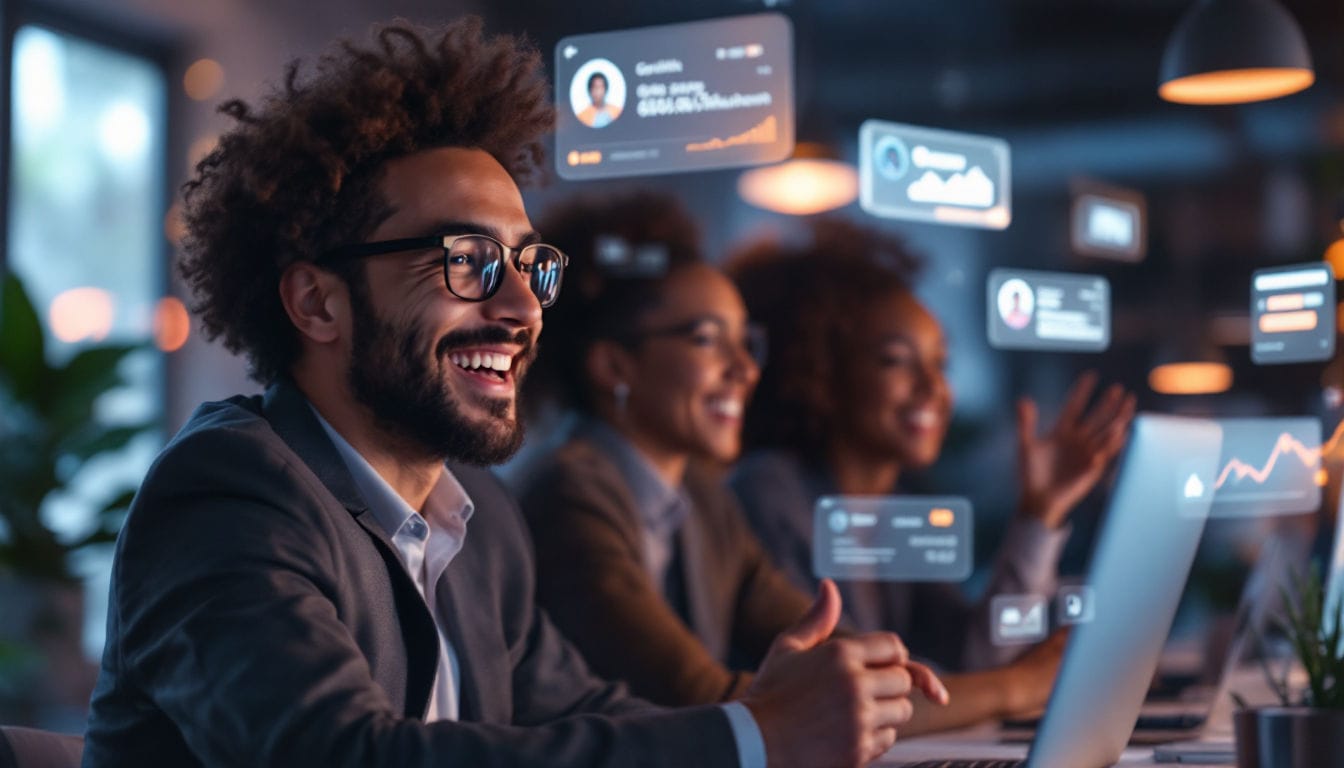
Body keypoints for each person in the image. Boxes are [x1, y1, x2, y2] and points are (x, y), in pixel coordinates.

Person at [81, 22, 939, 768]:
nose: (523, 307)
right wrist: (753, 742)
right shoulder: (228, 496)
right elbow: (343, 755)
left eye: (530, 265)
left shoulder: (478, 524)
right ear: (318, 302)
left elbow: (584, 717)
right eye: (468, 261)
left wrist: (765, 722)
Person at [515, 192, 1064, 737]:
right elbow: (711, 704)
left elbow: (841, 666)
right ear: (614, 366)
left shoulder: (703, 498)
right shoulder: (570, 496)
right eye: (708, 340)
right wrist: (1019, 686)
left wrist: (890, 679)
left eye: (745, 342)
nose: (745, 370)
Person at [728, 219, 1135, 672]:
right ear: (819, 371)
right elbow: (845, 688)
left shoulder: (892, 510)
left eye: (941, 363)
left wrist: (1042, 512)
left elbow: (974, 657)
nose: (933, 388)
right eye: (897, 361)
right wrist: (1021, 686)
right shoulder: (770, 492)